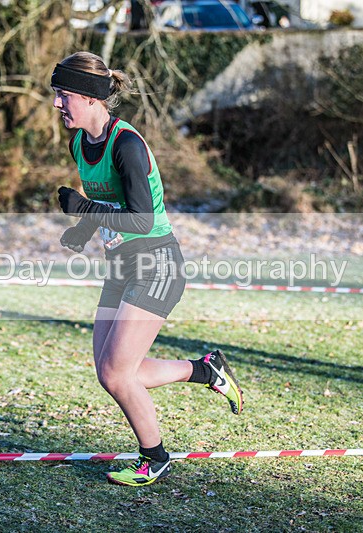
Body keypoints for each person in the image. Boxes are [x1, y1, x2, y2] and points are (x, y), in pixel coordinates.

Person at [51, 51, 244, 487]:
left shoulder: (127, 145)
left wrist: (84, 208)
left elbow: (139, 218)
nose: (59, 105)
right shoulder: (80, 141)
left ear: (91, 98)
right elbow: (108, 203)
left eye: (65, 96)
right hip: (122, 267)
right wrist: (83, 230)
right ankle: (205, 369)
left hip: (156, 263)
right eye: (58, 96)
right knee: (111, 372)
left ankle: (154, 458)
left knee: (120, 374)